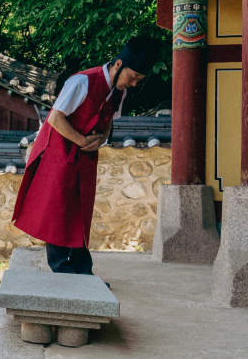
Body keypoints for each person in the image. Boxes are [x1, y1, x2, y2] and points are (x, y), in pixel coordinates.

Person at [12, 37, 157, 275]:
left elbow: (108, 121)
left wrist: (100, 140)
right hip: (58, 152)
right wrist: (81, 140)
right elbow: (55, 118)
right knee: (57, 208)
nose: (133, 84)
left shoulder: (119, 92)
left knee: (80, 209)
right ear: (119, 64)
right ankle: (61, 268)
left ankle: (82, 270)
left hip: (85, 156)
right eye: (132, 77)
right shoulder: (82, 82)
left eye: (138, 81)